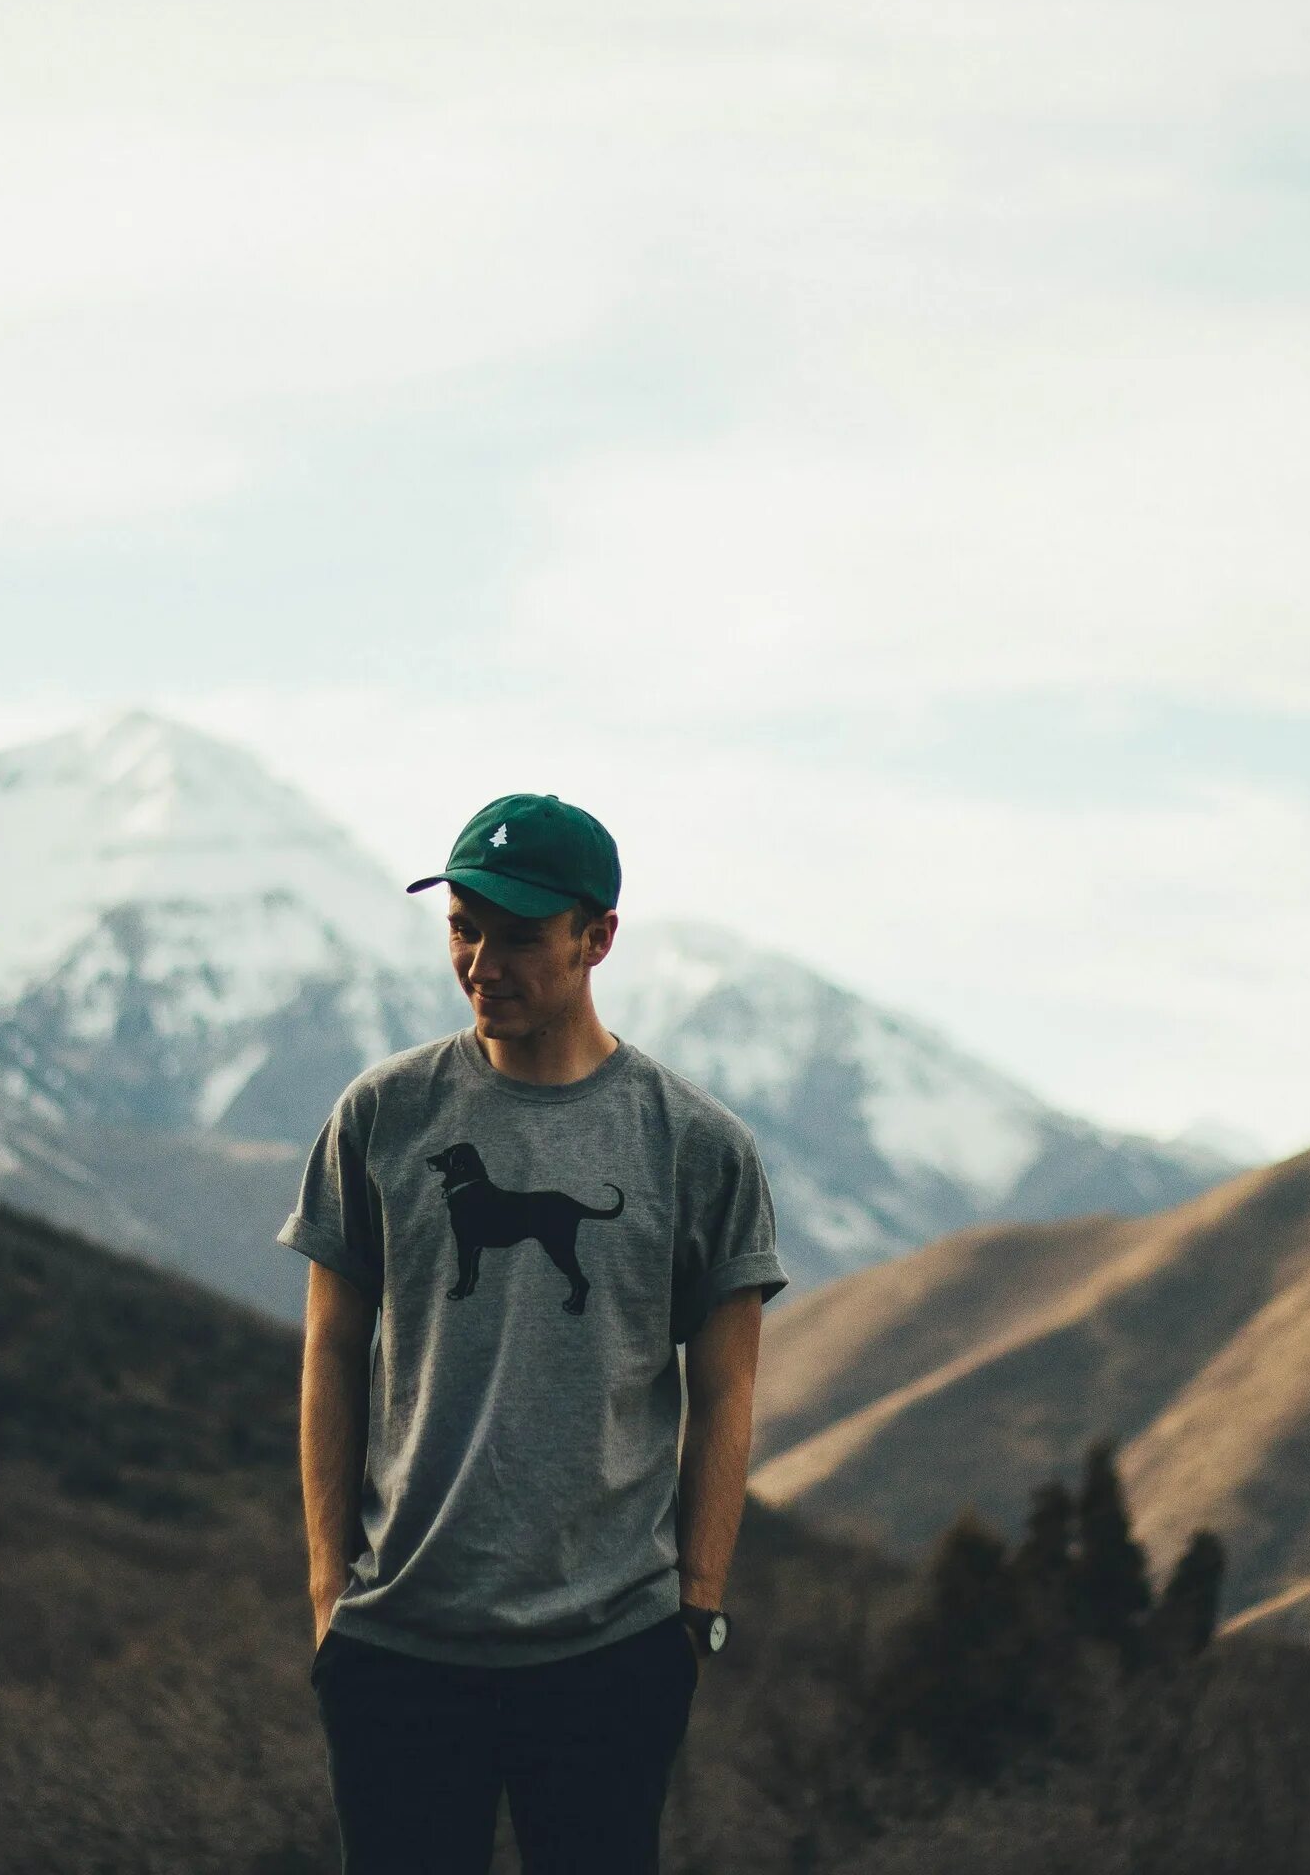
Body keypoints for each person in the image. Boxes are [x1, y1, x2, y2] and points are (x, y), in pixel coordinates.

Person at [276, 790, 788, 1874]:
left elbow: (727, 1390)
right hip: (398, 1641)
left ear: (597, 937)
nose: (480, 961)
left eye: (517, 935)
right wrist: (330, 1591)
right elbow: (330, 1351)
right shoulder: (381, 1115)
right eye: (464, 925)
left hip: (608, 1652)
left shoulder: (697, 1145)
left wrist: (694, 1609)